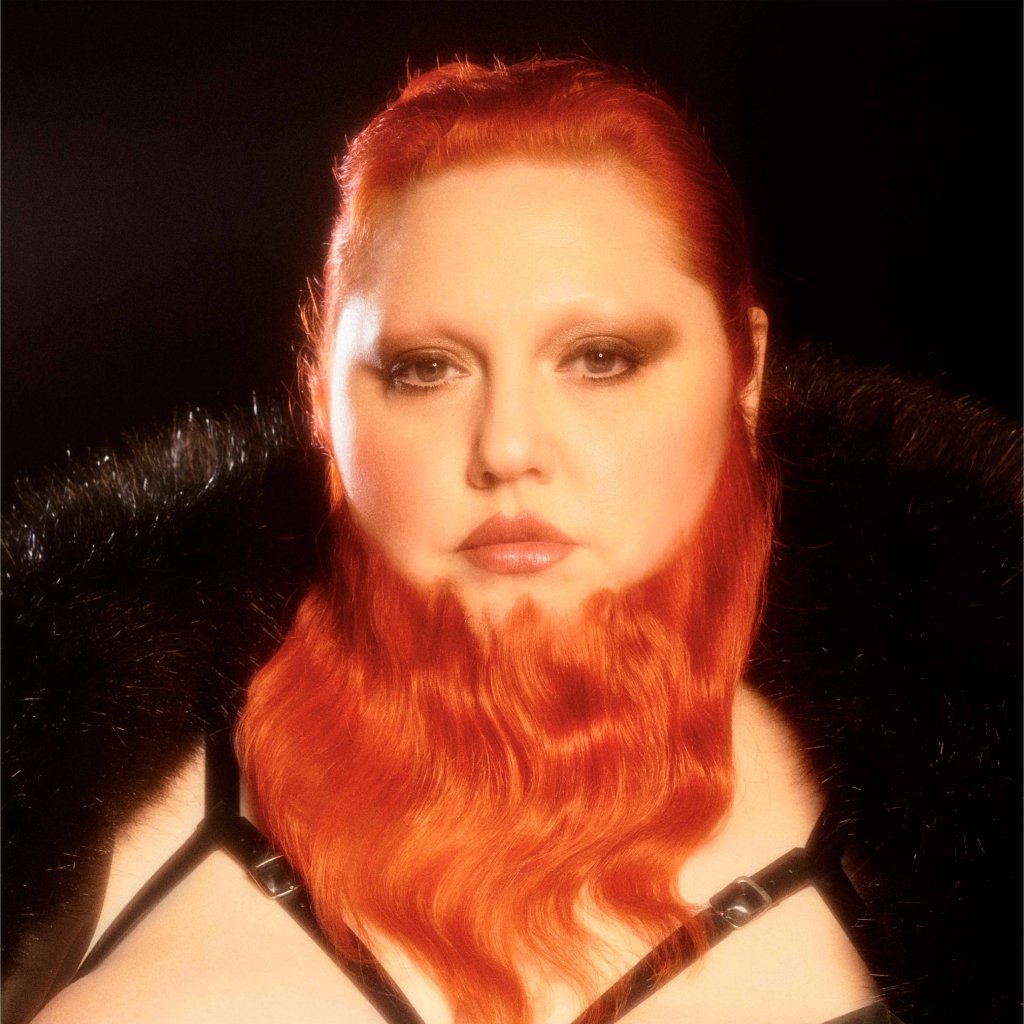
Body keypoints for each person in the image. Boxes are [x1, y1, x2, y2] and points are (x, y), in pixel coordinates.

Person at [3, 58, 1018, 1024]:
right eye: (424, 368)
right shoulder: (90, 817)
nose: (507, 449)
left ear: (743, 375)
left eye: (600, 358)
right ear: (321, 402)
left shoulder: (962, 817)